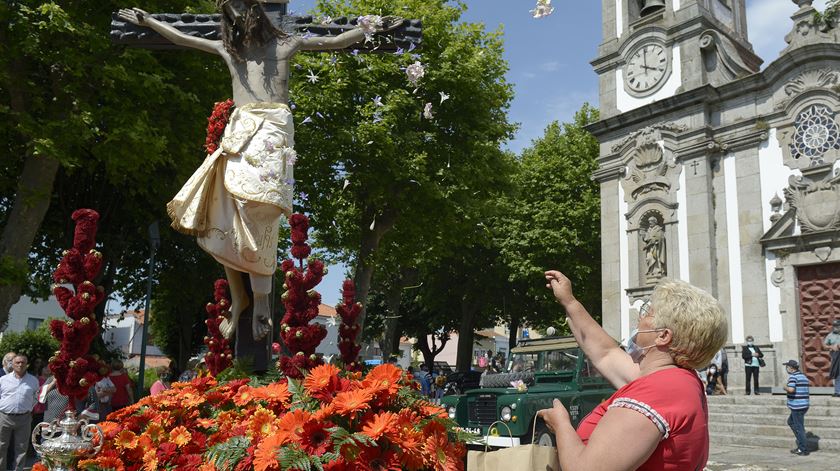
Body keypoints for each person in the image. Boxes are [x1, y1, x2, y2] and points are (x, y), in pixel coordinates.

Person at [117, 2, 403, 342]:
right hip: (240, 134)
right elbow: (182, 38)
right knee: (226, 212)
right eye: (232, 15)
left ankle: (263, 300)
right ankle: (241, 299)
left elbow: (335, 41)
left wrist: (372, 28)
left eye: (243, 12)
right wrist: (149, 20)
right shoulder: (229, 50)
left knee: (261, 209)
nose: (238, 20)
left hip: (273, 132)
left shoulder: (286, 44)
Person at [538, 271, 727, 470]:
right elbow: (606, 353)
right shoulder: (674, 381)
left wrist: (561, 426)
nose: (640, 318)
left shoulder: (659, 392)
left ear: (663, 336)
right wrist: (569, 301)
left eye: (648, 313)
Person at [0, 355, 39, 471]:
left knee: (21, 448)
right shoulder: (3, 380)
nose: (20, 365)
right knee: (1, 446)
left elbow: (36, 398)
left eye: (23, 362)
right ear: (12, 364)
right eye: (17, 362)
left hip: (24, 417)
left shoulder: (33, 380)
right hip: (4, 416)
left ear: (26, 364)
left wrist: (28, 409)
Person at [782, 360, 810, 456]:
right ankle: (801, 441)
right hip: (804, 405)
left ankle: (803, 449)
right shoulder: (803, 376)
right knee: (791, 422)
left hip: (797, 406)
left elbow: (791, 389)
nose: (786, 369)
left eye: (787, 367)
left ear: (791, 368)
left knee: (799, 427)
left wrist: (785, 387)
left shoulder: (793, 377)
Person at [824, 318, 840, 397]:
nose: (835, 327)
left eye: (837, 326)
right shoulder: (830, 335)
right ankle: (837, 392)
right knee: (836, 374)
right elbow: (824, 346)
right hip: (834, 357)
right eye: (834, 326)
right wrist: (831, 347)